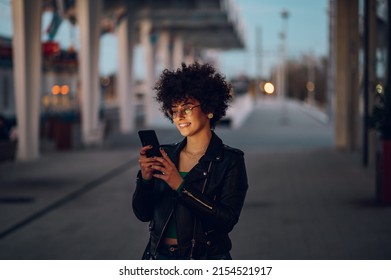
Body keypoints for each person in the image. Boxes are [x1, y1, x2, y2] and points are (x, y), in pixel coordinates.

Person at [132, 61, 248, 260]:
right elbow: (143, 214)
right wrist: (145, 180)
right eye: (174, 110)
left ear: (209, 108)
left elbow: (227, 220)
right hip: (158, 257)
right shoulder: (165, 155)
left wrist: (180, 186)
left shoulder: (229, 161)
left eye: (186, 108)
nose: (179, 117)